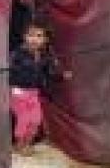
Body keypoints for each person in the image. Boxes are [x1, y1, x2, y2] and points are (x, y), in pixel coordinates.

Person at [9, 20, 68, 148]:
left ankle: (27, 143)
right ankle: (19, 144)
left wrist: (61, 76)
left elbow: (49, 73)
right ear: (24, 36)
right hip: (18, 93)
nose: (34, 39)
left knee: (36, 120)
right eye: (31, 35)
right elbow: (8, 68)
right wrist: (15, 69)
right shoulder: (17, 54)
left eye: (39, 36)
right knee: (24, 118)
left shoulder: (43, 56)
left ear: (45, 40)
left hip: (33, 94)